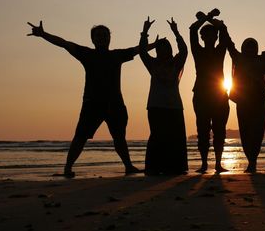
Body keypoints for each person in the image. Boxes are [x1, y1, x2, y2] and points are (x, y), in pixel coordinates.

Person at [27, 21, 154, 177]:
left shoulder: (117, 55)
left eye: (105, 35)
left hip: (115, 104)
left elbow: (138, 50)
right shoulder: (87, 54)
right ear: (93, 39)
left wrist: (149, 36)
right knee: (80, 136)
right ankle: (68, 168)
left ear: (109, 38)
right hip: (92, 104)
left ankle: (128, 166)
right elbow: (64, 44)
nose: (102, 38)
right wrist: (43, 34)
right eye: (98, 36)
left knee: (119, 137)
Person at [220, 22, 265, 173]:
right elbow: (230, 45)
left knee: (257, 131)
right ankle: (251, 160)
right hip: (243, 100)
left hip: (260, 99)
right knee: (245, 131)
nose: (250, 49)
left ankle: (253, 162)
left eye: (253, 47)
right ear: (244, 49)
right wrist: (223, 28)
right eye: (247, 47)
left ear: (255, 48)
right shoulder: (238, 58)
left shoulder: (261, 59)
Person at [139, 17, 188, 175]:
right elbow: (142, 51)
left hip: (174, 106)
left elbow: (184, 51)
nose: (163, 50)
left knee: (176, 138)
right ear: (157, 51)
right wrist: (145, 32)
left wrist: (176, 32)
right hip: (156, 105)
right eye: (160, 48)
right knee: (157, 137)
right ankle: (154, 168)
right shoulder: (152, 63)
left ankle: (175, 168)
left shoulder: (176, 63)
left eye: (166, 47)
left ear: (170, 49)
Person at [189, 9, 230, 173]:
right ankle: (204, 164)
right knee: (202, 131)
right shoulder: (198, 51)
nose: (209, 37)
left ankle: (218, 163)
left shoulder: (220, 50)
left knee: (220, 130)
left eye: (212, 35)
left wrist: (210, 19)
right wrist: (206, 18)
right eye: (206, 35)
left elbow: (224, 30)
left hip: (219, 95)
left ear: (215, 37)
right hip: (201, 95)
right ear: (202, 37)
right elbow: (192, 30)